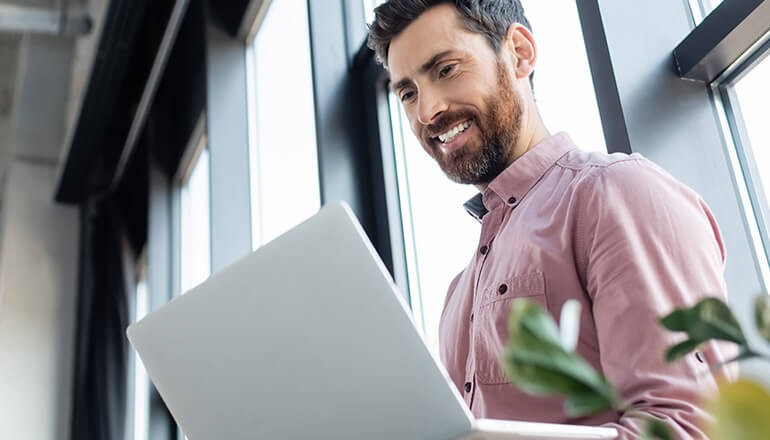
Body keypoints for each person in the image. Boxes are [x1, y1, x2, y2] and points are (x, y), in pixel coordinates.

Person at [367, 1, 735, 438]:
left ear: (520, 53)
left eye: (446, 70)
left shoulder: (616, 194)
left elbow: (689, 425)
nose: (426, 110)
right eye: (407, 92)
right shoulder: (459, 292)